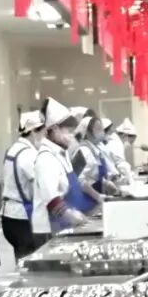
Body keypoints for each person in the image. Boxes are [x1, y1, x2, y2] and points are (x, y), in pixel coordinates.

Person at [32, 98, 90, 243]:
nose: (71, 136)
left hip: (64, 225)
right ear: (55, 129)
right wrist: (71, 215)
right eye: (69, 131)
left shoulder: (62, 154)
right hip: (50, 229)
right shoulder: (46, 157)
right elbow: (51, 199)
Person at [1, 111, 47, 261]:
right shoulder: (28, 154)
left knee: (21, 259)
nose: (44, 137)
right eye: (43, 132)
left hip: (9, 215)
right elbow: (39, 186)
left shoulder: (13, 149)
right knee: (29, 263)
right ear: (33, 132)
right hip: (22, 217)